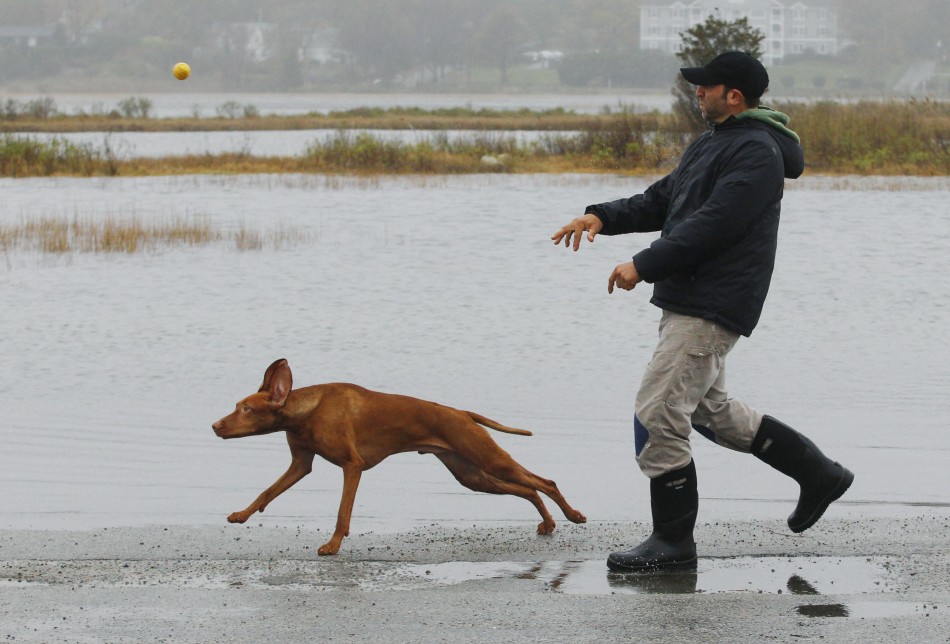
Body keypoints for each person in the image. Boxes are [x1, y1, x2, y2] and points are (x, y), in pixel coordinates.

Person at [551, 51, 853, 572]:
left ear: (733, 95)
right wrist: (600, 215)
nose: (697, 92)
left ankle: (672, 543)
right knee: (712, 414)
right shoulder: (714, 143)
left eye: (705, 87)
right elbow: (664, 200)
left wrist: (643, 264)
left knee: (658, 411)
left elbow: (714, 224)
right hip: (691, 298)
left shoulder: (757, 153)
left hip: (713, 302)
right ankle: (820, 475)